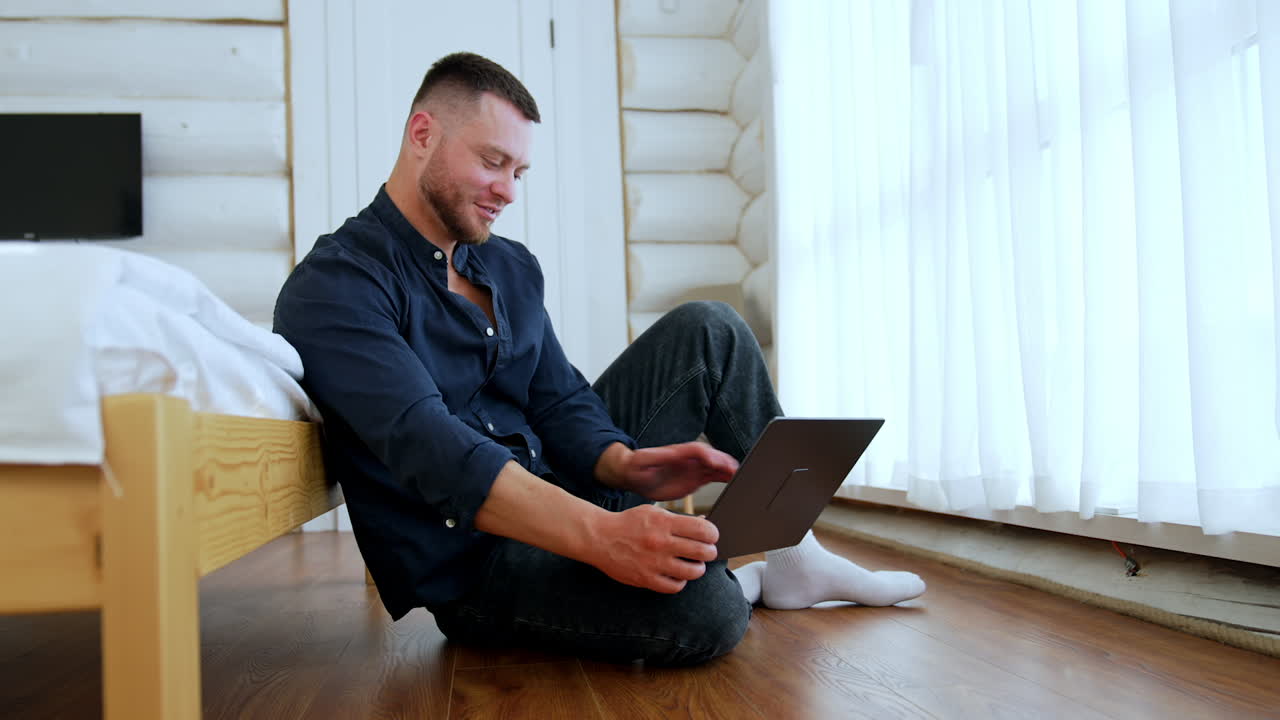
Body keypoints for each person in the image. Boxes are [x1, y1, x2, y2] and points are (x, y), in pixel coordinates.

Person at [274, 52, 925, 666]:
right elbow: (435, 451)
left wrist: (623, 463)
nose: (507, 191)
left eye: (519, 173)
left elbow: (558, 396)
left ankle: (794, 556)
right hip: (476, 562)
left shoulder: (508, 265)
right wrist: (604, 535)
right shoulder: (334, 287)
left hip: (561, 485)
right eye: (492, 162)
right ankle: (725, 577)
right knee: (710, 610)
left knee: (712, 329)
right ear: (423, 133)